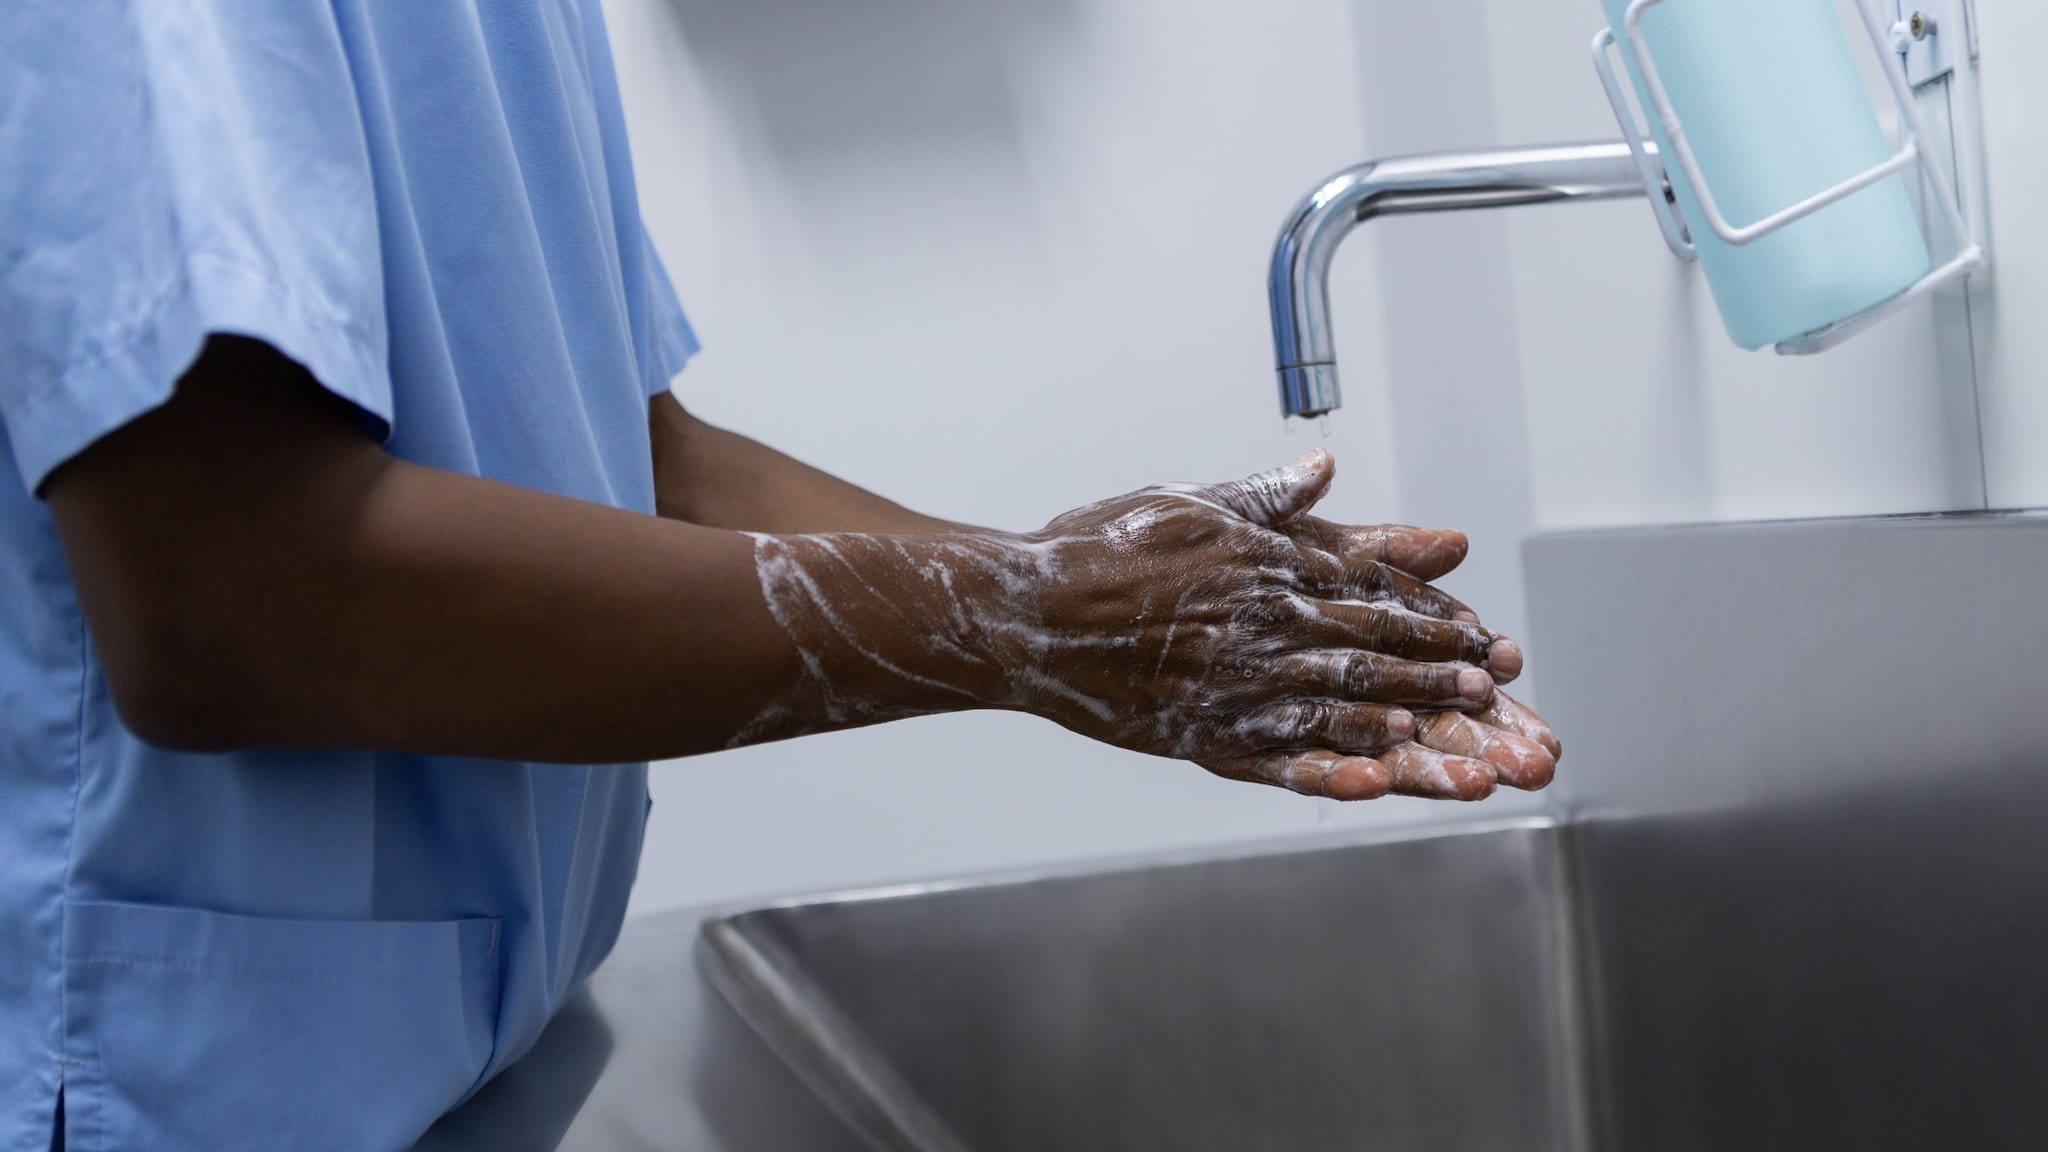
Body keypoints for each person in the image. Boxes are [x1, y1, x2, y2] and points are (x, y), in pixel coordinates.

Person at [0, 3, 1558, 1149]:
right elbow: (233, 600)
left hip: (455, 1074)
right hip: (175, 1096)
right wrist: (1046, 624)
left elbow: (638, 455)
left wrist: (1087, 595)